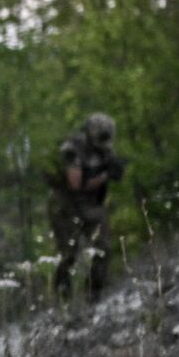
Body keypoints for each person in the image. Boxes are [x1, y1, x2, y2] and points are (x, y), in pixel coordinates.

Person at [48, 112, 126, 302]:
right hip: (66, 206)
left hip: (91, 204)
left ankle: (93, 296)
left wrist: (114, 170)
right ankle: (62, 301)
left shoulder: (104, 149)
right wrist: (104, 176)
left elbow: (109, 166)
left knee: (103, 249)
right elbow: (76, 184)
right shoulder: (72, 149)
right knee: (68, 255)